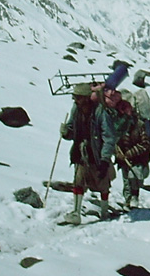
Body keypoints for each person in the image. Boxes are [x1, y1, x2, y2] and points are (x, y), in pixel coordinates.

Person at [60, 83, 117, 224]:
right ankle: (76, 213)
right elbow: (72, 128)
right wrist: (66, 132)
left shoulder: (100, 112)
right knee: (78, 181)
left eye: (78, 98)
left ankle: (104, 212)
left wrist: (105, 159)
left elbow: (109, 137)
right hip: (81, 151)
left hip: (96, 153)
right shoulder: (76, 110)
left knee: (102, 183)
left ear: (86, 98)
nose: (75, 101)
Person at [114, 99, 150, 208]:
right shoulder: (117, 125)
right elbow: (113, 141)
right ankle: (127, 200)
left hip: (138, 158)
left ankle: (134, 198)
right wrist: (117, 153)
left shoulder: (139, 125)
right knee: (126, 180)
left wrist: (130, 153)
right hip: (123, 158)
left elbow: (145, 143)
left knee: (133, 178)